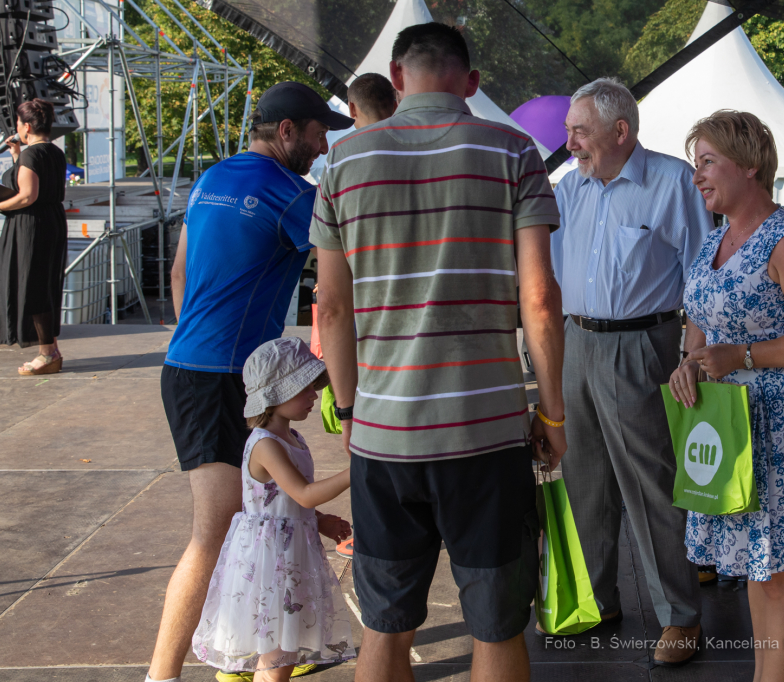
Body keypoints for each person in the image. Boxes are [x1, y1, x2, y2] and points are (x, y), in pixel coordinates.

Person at [312, 22, 565, 682]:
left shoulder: (342, 161)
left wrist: (350, 410)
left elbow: (330, 305)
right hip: (487, 437)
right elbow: (540, 298)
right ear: (472, 83)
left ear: (397, 78)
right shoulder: (514, 152)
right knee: (497, 628)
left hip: (384, 437)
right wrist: (552, 413)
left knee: (385, 627)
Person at [147, 82, 353, 682]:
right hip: (224, 379)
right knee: (215, 533)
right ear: (286, 131)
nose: (323, 147)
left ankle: (261, 652)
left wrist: (204, 341)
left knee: (256, 516)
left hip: (191, 366)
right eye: (318, 133)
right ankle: (163, 674)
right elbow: (348, 274)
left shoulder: (211, 178)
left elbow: (180, 274)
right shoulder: (293, 195)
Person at [669, 110, 784, 682]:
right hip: (735, 422)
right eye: (696, 163)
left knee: (782, 574)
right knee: (758, 565)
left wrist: (741, 356)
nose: (697, 176)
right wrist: (689, 363)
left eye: (708, 162)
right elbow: (700, 317)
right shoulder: (716, 238)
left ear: (749, 165)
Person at [548, 77, 711, 667]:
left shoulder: (673, 182)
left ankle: (680, 617)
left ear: (621, 131)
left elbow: (705, 275)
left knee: (650, 485)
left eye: (579, 131)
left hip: (643, 344)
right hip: (575, 342)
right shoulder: (570, 188)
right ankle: (595, 600)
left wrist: (694, 355)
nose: (569, 143)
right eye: (569, 131)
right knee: (583, 478)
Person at [192, 337, 355, 680]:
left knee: (286, 648)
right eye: (303, 388)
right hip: (272, 562)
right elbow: (304, 494)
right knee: (278, 653)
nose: (314, 395)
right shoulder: (266, 444)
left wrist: (320, 521)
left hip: (290, 555)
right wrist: (357, 470)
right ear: (275, 394)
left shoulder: (293, 438)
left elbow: (286, 501)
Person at [0, 98, 68, 374]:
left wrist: (0, 206)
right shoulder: (53, 152)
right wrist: (17, 155)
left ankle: (47, 354)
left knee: (34, 285)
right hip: (51, 220)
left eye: (18, 122)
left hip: (32, 225)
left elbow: (27, 195)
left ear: (26, 126)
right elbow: (31, 181)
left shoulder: (32, 155)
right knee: (44, 283)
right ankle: (51, 349)